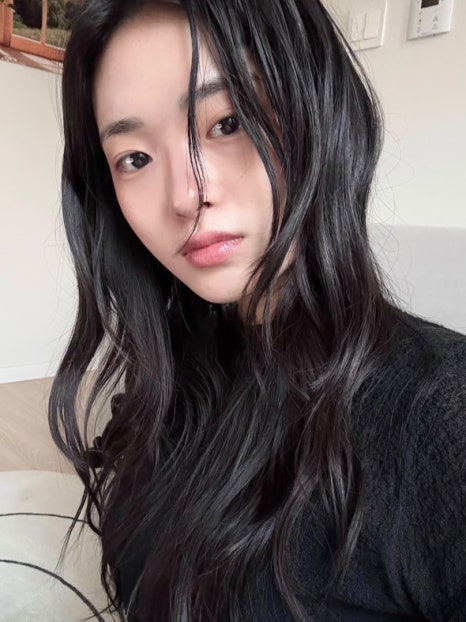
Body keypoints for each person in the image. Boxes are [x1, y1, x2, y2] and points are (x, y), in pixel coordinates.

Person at [49, 0, 466, 620]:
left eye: (229, 121)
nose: (186, 195)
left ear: (317, 111)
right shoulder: (171, 380)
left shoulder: (439, 416)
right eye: (135, 158)